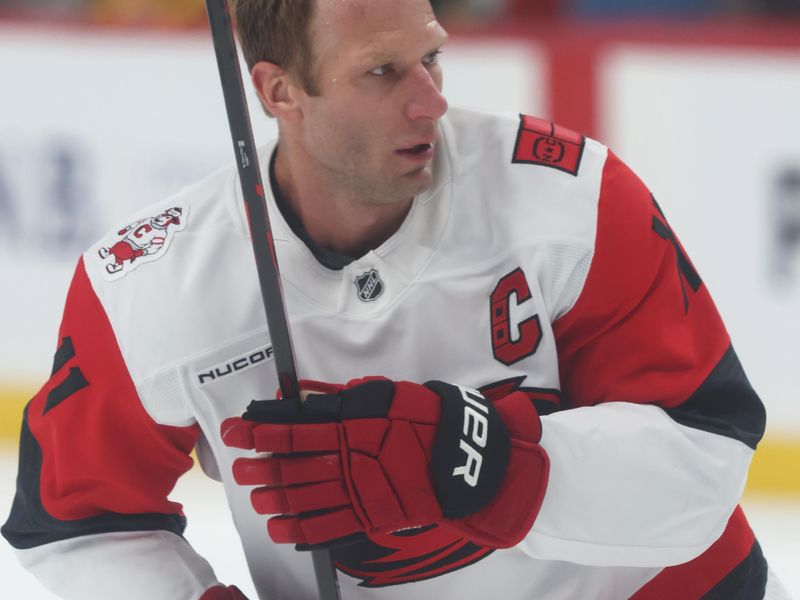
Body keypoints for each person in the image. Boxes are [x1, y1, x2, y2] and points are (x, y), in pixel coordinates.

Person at [1, 0, 791, 598]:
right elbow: (76, 522)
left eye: (433, 59)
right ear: (279, 92)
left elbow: (706, 459)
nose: (431, 102)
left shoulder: (570, 199)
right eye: (383, 73)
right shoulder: (152, 286)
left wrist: (483, 467)